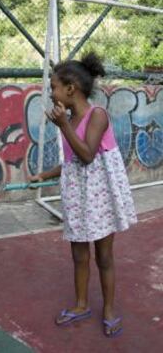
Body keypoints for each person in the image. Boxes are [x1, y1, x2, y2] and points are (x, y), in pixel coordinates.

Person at [30, 51, 137, 337]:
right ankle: (80, 305)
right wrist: (43, 176)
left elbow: (88, 154)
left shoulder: (96, 115)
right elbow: (71, 160)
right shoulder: (68, 122)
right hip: (78, 196)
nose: (51, 93)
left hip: (100, 196)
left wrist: (63, 125)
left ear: (70, 89)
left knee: (104, 256)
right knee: (78, 254)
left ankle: (110, 309)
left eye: (53, 87)